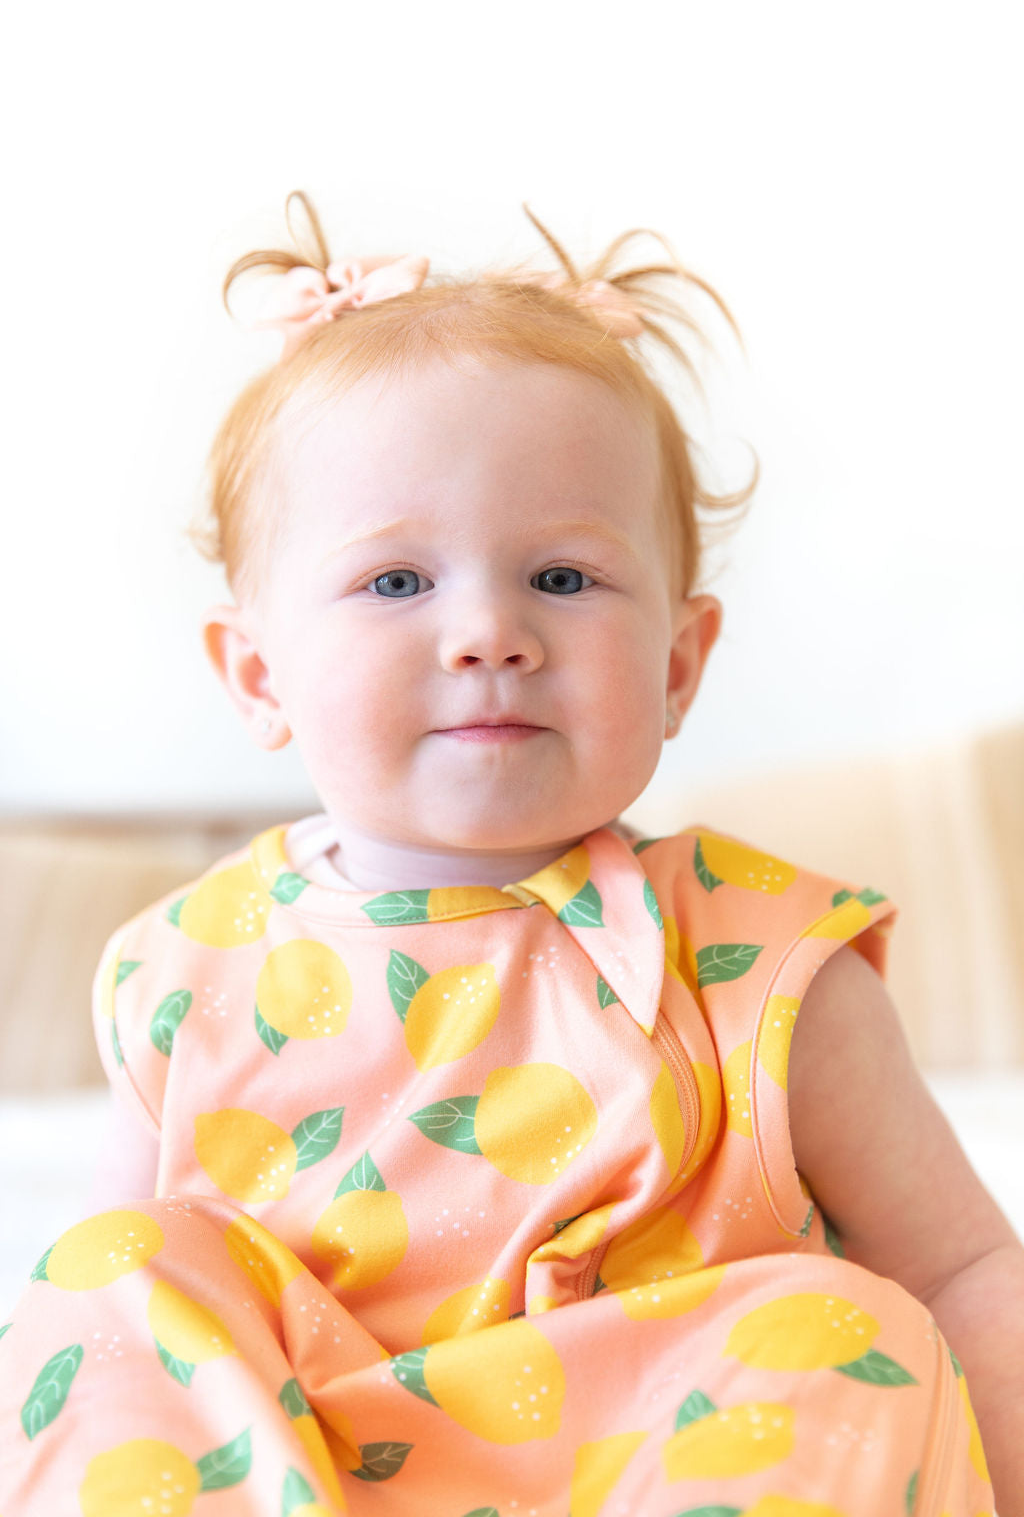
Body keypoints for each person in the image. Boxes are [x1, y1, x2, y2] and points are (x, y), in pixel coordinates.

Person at [0, 190, 1018, 1517]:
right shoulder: (181, 975)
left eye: (563, 578)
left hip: (658, 1469)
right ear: (258, 676)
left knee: (850, 1328)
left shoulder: (761, 966)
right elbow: (140, 1343)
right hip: (299, 1474)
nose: (488, 631)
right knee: (108, 1270)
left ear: (678, 665)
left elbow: (964, 1272)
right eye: (396, 582)